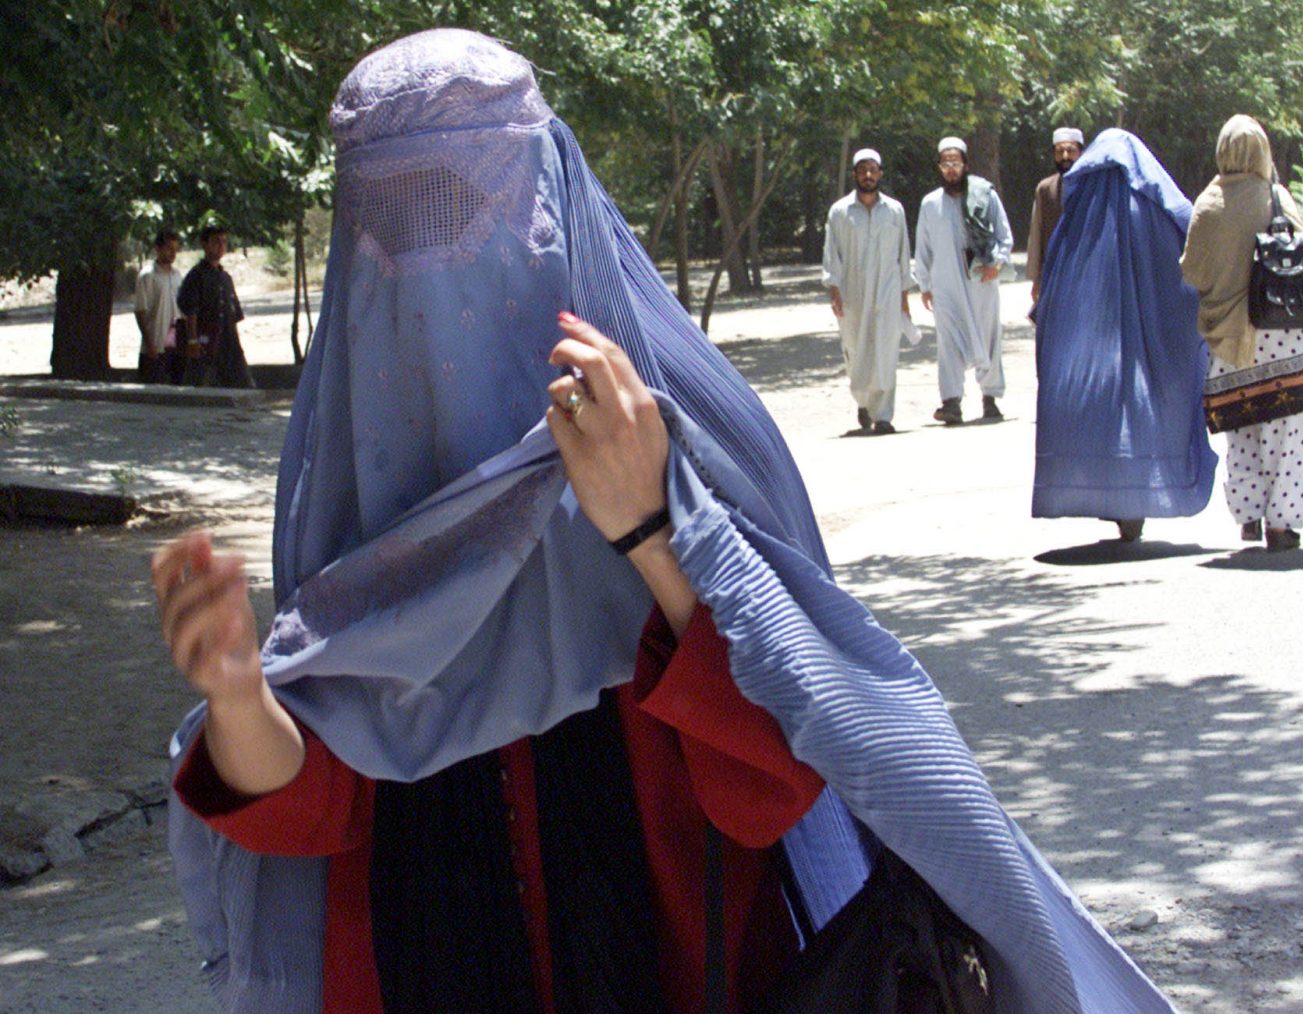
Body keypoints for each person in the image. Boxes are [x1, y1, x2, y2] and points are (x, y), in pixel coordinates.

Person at [153, 30, 1176, 1014]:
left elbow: (771, 789)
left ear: (549, 199)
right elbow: (319, 804)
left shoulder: (669, 434)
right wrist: (239, 695)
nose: (429, 267)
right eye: (390, 223)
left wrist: (653, 530)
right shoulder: (356, 480)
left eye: (463, 209)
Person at [1032, 129, 1217, 542]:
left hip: (1091, 342)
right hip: (1145, 336)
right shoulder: (1152, 203)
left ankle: (1112, 500)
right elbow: (1187, 242)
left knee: (1102, 412)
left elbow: (1055, 281)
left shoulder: (1079, 212)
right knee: (1141, 405)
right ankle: (1136, 499)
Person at [1182, 115, 1303, 551]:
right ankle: (1282, 523)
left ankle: (1248, 513)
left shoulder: (1207, 205)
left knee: (1241, 429)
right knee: (1289, 434)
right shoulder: (1275, 197)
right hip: (1281, 335)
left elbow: (1192, 273)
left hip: (1228, 339)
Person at [913, 136, 1013, 426]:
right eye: (946, 163)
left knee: (988, 335)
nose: (951, 169)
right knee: (948, 342)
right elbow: (923, 247)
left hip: (981, 281)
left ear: (965, 165)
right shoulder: (930, 203)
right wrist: (925, 285)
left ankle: (990, 398)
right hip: (945, 285)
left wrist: (997, 263)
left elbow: (1004, 235)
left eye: (955, 163)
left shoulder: (985, 195)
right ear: (939, 167)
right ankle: (951, 402)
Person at [821, 148, 913, 435]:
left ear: (880, 173)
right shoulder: (840, 211)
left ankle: (883, 415)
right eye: (863, 170)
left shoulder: (894, 210)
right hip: (852, 292)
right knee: (855, 348)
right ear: (855, 175)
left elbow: (903, 254)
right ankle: (864, 402)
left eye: (873, 169)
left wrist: (904, 297)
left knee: (886, 350)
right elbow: (832, 254)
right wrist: (834, 290)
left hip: (887, 290)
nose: (868, 175)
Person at [176, 224, 255, 388]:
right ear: (205, 244)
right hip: (206, 343)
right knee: (200, 388)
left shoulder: (225, 278)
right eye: (216, 241)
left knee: (243, 387)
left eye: (224, 242)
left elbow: (233, 314)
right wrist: (192, 340)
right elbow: (190, 310)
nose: (221, 246)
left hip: (229, 343)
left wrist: (236, 342)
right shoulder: (196, 276)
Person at [1027, 127, 1084, 306]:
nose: (1065, 156)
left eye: (1070, 151)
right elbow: (1036, 234)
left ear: (1081, 153)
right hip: (1053, 271)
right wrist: (1036, 279)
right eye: (1060, 152)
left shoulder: (1092, 187)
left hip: (1085, 269)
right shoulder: (1045, 189)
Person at [133, 229, 183, 384]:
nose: (172, 253)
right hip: (155, 344)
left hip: (175, 344)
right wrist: (149, 344)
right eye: (169, 248)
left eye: (175, 249)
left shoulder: (177, 275)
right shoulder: (147, 276)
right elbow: (140, 311)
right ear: (158, 248)